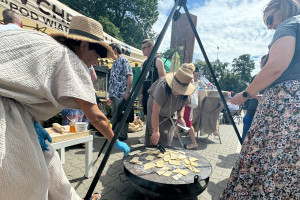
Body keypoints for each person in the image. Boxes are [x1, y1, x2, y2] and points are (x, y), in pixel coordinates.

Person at [0, 15, 130, 200]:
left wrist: (34, 122)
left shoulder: (49, 47)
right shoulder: (69, 59)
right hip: (5, 112)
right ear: (84, 45)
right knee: (30, 183)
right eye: (96, 55)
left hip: (15, 106)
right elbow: (96, 117)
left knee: (49, 160)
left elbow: (25, 86)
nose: (96, 62)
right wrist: (114, 140)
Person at [221, 0, 300, 198]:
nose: (270, 26)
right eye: (267, 24)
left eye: (270, 19)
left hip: (283, 115)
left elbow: (275, 66)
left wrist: (245, 94)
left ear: (282, 6)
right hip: (289, 107)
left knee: (262, 161)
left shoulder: (290, 24)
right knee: (283, 166)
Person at [145, 63, 196, 146]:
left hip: (169, 112)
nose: (177, 92)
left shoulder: (185, 94)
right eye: (176, 88)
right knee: (154, 137)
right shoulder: (162, 87)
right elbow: (155, 111)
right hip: (156, 109)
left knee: (167, 137)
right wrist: (155, 131)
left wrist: (180, 117)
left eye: (180, 90)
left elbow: (182, 105)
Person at [109, 43, 133, 141]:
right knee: (115, 114)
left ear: (115, 50)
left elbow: (130, 76)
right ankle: (114, 134)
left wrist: (127, 91)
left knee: (122, 114)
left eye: (110, 50)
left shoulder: (124, 60)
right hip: (114, 93)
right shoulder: (114, 62)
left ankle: (122, 135)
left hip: (121, 93)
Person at [241, 55, 266, 142]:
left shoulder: (274, 78)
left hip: (264, 113)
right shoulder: (255, 77)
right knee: (246, 136)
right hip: (251, 111)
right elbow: (248, 92)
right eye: (261, 62)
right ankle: (242, 152)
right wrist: (245, 107)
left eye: (265, 61)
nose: (263, 63)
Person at [139, 39, 165, 117]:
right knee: (147, 118)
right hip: (145, 95)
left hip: (155, 95)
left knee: (155, 118)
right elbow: (142, 81)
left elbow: (162, 80)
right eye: (142, 48)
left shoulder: (158, 61)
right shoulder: (143, 64)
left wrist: (160, 96)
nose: (142, 50)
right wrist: (141, 95)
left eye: (144, 48)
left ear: (150, 47)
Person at [184, 67, 200, 149]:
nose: (196, 76)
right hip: (187, 104)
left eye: (197, 75)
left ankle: (194, 143)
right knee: (182, 119)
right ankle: (175, 135)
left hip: (188, 104)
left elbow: (190, 91)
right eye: (195, 74)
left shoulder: (191, 80)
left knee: (189, 124)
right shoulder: (192, 80)